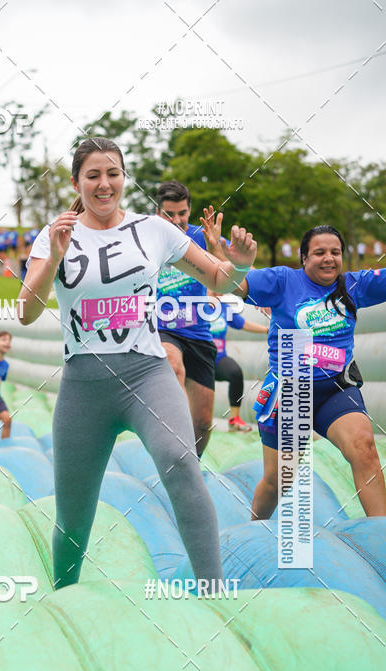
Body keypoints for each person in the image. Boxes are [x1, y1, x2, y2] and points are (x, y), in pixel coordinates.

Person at [19, 137, 257, 589]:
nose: (104, 184)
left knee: (181, 462)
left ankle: (213, 593)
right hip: (84, 384)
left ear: (124, 179)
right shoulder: (55, 234)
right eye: (93, 175)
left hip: (147, 373)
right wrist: (54, 254)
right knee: (74, 513)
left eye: (113, 173)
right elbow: (26, 311)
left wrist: (240, 265)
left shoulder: (154, 229)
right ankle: (65, 600)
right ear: (76, 182)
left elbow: (218, 278)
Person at [224, 224, 386, 518]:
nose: (328, 259)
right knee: (278, 482)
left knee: (364, 448)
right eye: (319, 252)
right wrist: (238, 264)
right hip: (289, 393)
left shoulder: (353, 285)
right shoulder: (283, 281)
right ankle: (253, 530)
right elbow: (234, 286)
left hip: (335, 391)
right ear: (303, 258)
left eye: (335, 252)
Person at [154, 182, 223, 457]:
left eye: (182, 213)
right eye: (169, 214)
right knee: (173, 364)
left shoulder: (201, 236)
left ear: (190, 210)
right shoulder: (146, 237)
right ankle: (168, 442)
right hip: (161, 330)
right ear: (158, 213)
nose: (177, 220)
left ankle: (189, 465)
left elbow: (234, 266)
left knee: (204, 422)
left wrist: (217, 248)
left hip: (198, 335)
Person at [208, 295, 268, 431]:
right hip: (199, 360)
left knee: (235, 373)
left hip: (218, 359)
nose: (220, 292)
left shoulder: (223, 307)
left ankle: (234, 420)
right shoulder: (195, 306)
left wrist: (267, 330)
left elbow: (243, 324)